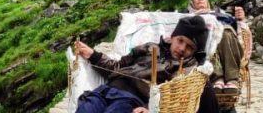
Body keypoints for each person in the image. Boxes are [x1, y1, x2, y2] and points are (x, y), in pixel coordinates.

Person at [74, 15, 216, 113]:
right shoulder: (149, 47)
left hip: (131, 101)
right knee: (86, 108)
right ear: (172, 37)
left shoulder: (187, 69)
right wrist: (93, 55)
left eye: (190, 47)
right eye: (180, 40)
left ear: (195, 51)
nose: (182, 48)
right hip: (106, 90)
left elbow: (173, 98)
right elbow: (117, 67)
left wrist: (150, 109)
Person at [188, 0, 250, 93]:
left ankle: (232, 79)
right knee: (209, 35)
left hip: (227, 44)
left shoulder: (220, 14)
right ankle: (217, 79)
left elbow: (237, 28)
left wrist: (240, 19)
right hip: (203, 48)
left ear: (207, 1)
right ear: (192, 3)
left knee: (225, 32)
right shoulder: (188, 17)